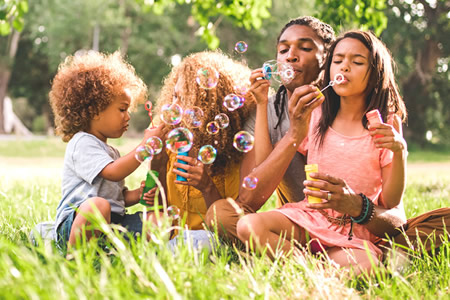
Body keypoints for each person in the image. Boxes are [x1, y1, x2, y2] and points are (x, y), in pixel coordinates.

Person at [206, 16, 449, 254]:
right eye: (283, 49)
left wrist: (398, 152)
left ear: (324, 60)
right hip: (306, 220)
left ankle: (334, 256)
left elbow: (391, 209)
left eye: (305, 47)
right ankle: (328, 262)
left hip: (365, 222)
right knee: (228, 217)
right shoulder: (309, 113)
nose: (291, 55)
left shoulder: (381, 120)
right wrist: (282, 123)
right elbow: (253, 189)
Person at [236, 30, 408, 273]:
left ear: (376, 74)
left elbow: (390, 201)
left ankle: (303, 268)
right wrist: (263, 103)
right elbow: (264, 163)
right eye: (337, 61)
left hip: (353, 229)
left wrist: (399, 151)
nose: (344, 68)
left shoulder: (386, 122)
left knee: (370, 263)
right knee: (248, 226)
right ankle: (316, 272)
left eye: (357, 62)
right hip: (310, 218)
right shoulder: (316, 114)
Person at [50, 51, 166, 249]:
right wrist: (145, 147)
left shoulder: (111, 151)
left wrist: (138, 194)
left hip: (113, 224)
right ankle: (73, 258)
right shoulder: (82, 143)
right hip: (75, 225)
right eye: (122, 109)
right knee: (98, 206)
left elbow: (118, 198)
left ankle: (105, 249)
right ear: (94, 111)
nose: (127, 117)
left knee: (159, 220)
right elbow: (113, 173)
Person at [150, 51, 255, 231]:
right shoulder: (170, 143)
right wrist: (156, 166)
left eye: (183, 99)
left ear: (208, 106)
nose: (173, 106)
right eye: (174, 96)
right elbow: (156, 209)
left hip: (211, 240)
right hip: (174, 241)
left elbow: (228, 225)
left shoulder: (235, 156)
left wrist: (206, 186)